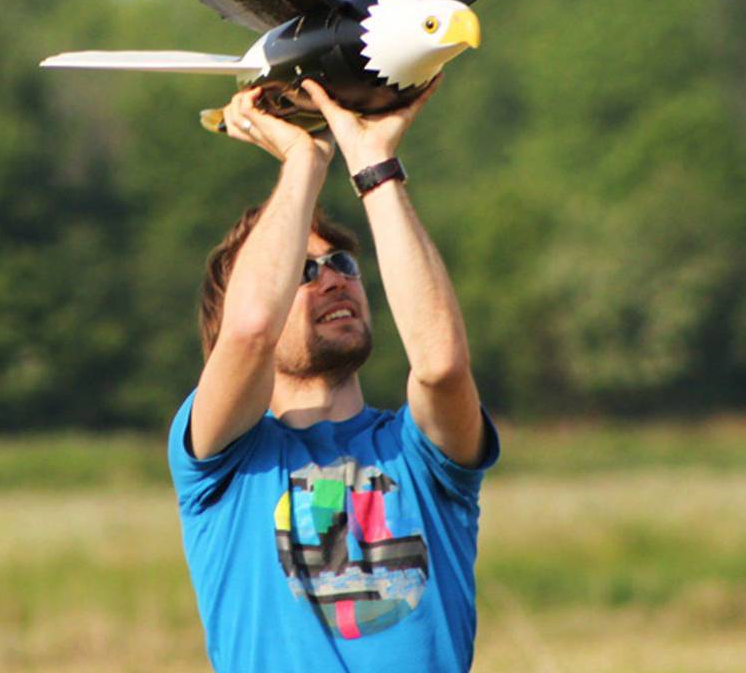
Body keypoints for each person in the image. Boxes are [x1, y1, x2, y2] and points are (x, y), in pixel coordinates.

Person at [168, 78, 499, 672]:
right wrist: (304, 159)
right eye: (303, 270)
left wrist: (372, 161)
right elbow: (247, 332)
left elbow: (443, 365)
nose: (334, 279)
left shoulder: (418, 456)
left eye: (342, 263)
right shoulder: (221, 461)